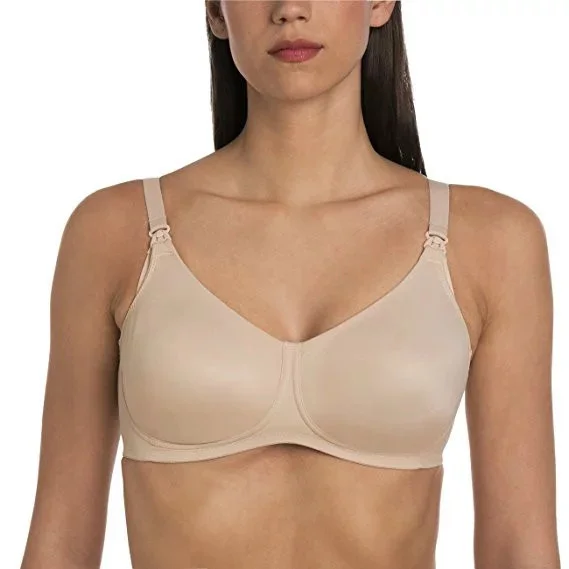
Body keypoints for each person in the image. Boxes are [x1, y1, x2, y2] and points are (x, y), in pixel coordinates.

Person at [20, 2, 561, 569]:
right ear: (216, 12)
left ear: (381, 2)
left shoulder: (490, 242)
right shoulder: (117, 233)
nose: (290, 9)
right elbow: (60, 545)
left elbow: (519, 549)